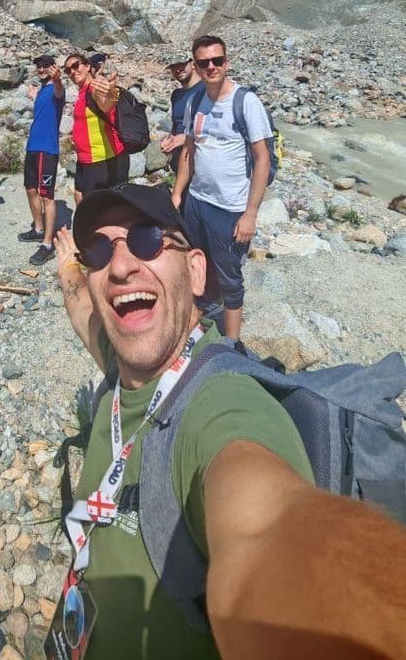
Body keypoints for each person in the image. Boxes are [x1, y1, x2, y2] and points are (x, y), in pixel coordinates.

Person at [53, 183, 406, 660]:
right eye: (100, 249)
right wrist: (72, 268)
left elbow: (263, 527)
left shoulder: (222, 402)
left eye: (147, 240)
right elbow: (83, 309)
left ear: (196, 270)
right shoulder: (124, 365)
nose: (119, 266)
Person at [172, 35, 271, 341]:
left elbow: (262, 158)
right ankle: (197, 328)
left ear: (227, 62)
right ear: (197, 67)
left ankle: (232, 345)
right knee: (196, 265)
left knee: (230, 277)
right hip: (197, 202)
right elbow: (189, 151)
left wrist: (250, 214)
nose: (211, 67)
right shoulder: (195, 102)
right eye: (204, 63)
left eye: (217, 60)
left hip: (230, 208)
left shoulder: (245, 102)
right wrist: (177, 193)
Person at [17, 54, 65, 265]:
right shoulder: (41, 91)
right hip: (33, 147)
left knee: (47, 196)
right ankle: (38, 228)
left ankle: (47, 245)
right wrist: (34, 95)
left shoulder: (57, 89)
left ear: (53, 68)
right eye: (39, 66)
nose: (42, 69)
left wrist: (58, 79)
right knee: (30, 189)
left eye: (46, 65)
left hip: (47, 149)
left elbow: (59, 90)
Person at [63, 52, 129, 205]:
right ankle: (84, 228)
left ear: (87, 66)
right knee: (80, 196)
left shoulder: (93, 88)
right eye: (68, 70)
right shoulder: (83, 92)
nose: (72, 72)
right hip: (86, 160)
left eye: (75, 66)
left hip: (103, 160)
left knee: (102, 210)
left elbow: (106, 105)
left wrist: (111, 93)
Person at [159, 56, 200, 175]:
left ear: (192, 63)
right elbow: (176, 124)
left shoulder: (207, 89)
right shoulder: (176, 95)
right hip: (180, 159)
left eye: (181, 64)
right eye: (173, 67)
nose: (178, 70)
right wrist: (170, 139)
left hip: (199, 159)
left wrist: (185, 138)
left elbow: (214, 126)